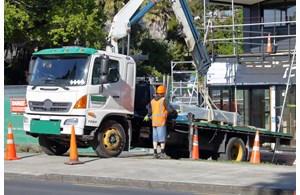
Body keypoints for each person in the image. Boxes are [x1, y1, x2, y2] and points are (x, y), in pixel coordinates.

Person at [143, 85, 177, 159]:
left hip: (154, 122)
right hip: (161, 122)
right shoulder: (164, 100)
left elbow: (150, 111)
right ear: (164, 92)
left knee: (155, 139)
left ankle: (155, 153)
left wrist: (147, 116)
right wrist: (175, 111)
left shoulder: (152, 101)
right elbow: (170, 110)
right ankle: (162, 153)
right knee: (162, 139)